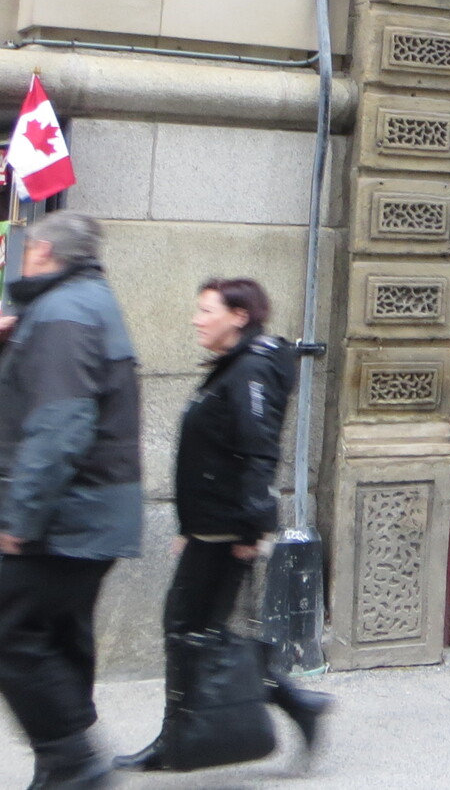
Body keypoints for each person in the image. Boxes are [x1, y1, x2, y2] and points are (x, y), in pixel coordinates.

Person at [116, 277, 330, 769]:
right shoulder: (233, 367)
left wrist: (252, 530)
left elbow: (258, 451)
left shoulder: (250, 371)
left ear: (238, 316)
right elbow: (211, 454)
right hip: (211, 528)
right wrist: (189, 526)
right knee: (196, 631)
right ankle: (289, 705)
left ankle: (189, 735)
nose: (197, 320)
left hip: (230, 532)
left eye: (207, 311)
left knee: (190, 630)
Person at [0, 212, 141, 790]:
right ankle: (62, 768)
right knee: (59, 641)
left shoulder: (64, 311)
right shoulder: (80, 303)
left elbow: (60, 425)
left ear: (43, 251)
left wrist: (22, 515)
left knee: (6, 636)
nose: (22, 257)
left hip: (67, 515)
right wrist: (3, 353)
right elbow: (39, 403)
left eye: (27, 248)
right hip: (88, 513)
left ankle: (74, 764)